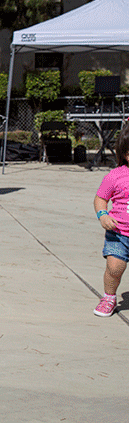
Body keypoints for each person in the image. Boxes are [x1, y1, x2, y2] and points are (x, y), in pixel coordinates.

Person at [92, 124, 129, 317]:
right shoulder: (115, 176)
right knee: (115, 268)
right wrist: (103, 215)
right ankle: (109, 297)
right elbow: (100, 199)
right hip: (119, 233)